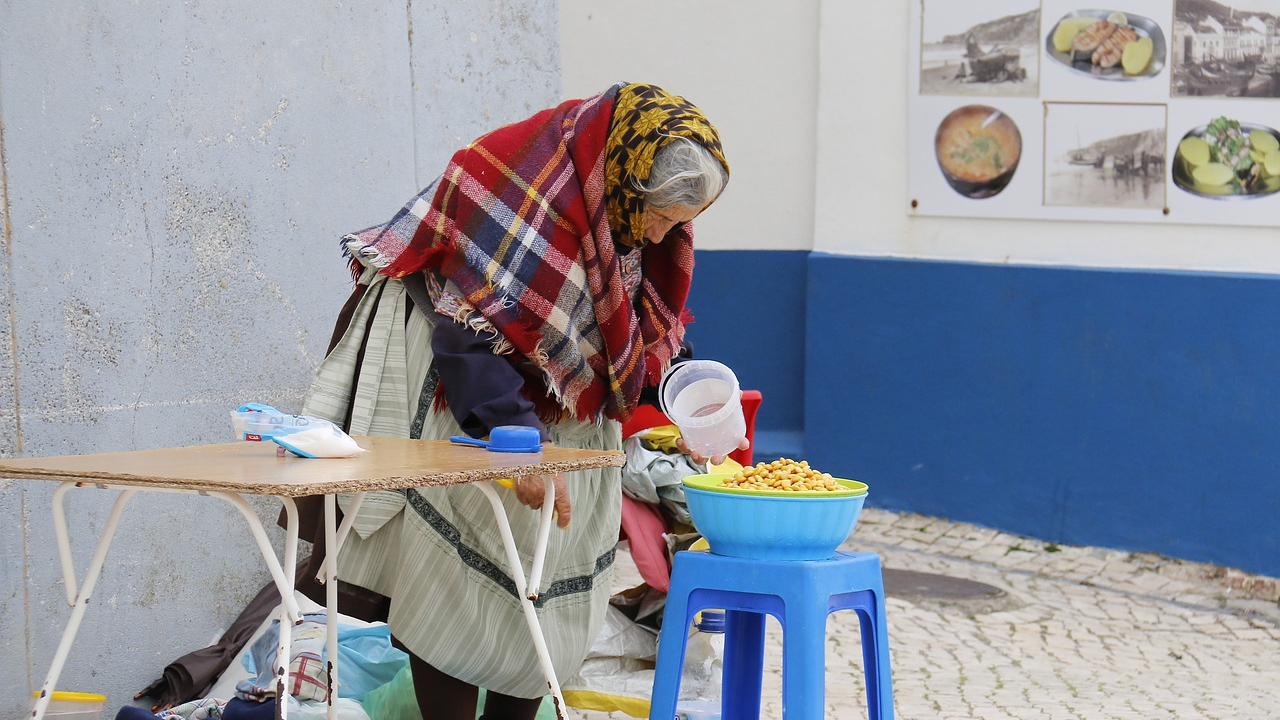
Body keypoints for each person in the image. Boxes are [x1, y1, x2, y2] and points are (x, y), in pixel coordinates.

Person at [301, 81, 747, 720]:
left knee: (552, 587)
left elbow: (624, 329)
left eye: (678, 225)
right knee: (459, 586)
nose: (660, 236)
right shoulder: (519, 188)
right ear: (628, 185)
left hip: (561, 411)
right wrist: (517, 440)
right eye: (660, 218)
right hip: (470, 388)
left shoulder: (623, 212)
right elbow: (466, 329)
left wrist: (670, 385)